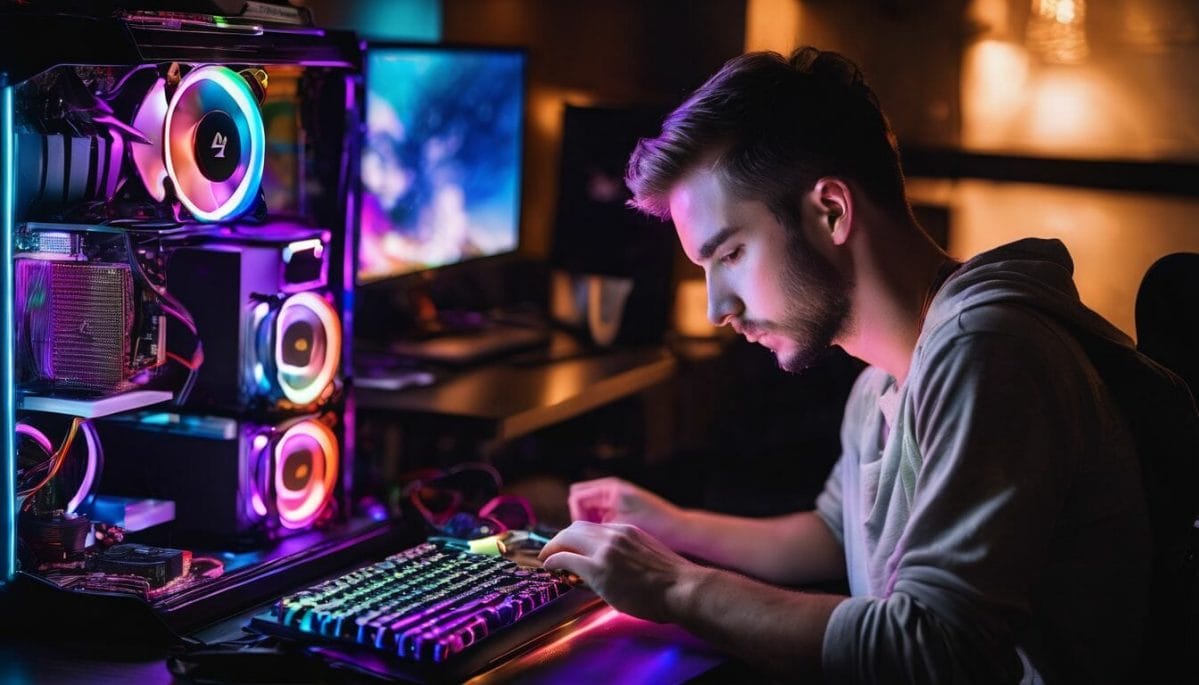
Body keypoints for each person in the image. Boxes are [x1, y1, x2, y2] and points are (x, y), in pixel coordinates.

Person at [538, 47, 1180, 682]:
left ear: (832, 212)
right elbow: (830, 536)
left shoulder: (992, 352)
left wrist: (673, 585)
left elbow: (932, 647)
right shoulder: (880, 379)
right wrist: (670, 526)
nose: (716, 308)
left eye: (729, 254)